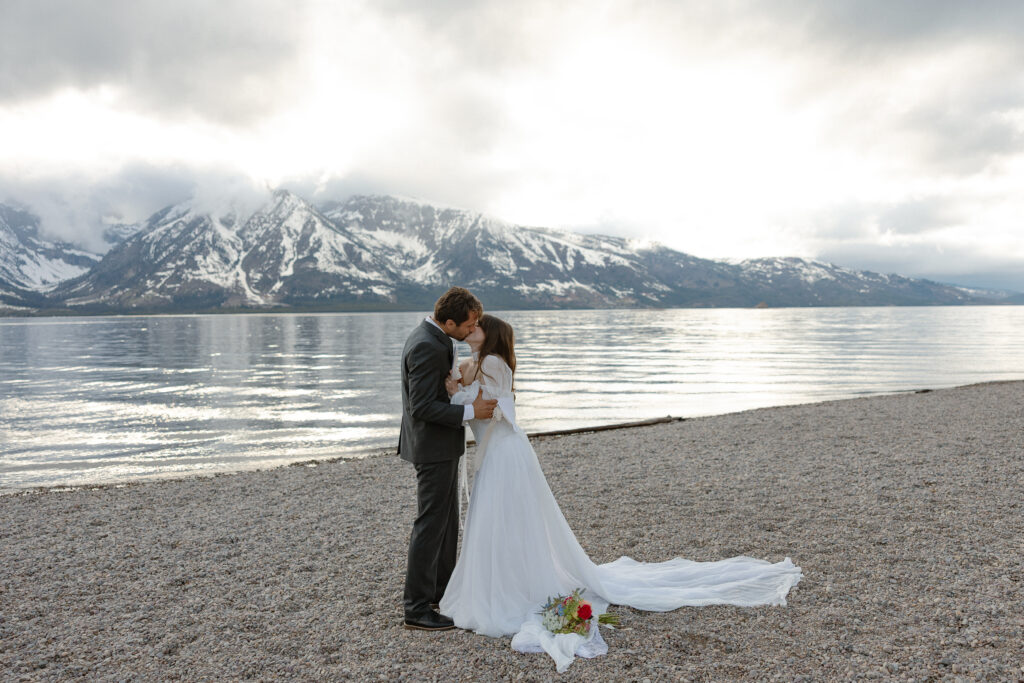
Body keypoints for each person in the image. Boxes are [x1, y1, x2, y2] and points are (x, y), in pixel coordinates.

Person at [440, 314, 803, 672]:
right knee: (494, 522)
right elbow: (471, 400)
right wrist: (459, 387)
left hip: (506, 455)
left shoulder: (493, 363)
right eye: (471, 325)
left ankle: (513, 586)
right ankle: (497, 581)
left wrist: (457, 393)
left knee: (507, 520)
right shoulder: (471, 363)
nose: (472, 329)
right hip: (491, 456)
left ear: (492, 336)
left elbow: (495, 412)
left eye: (479, 326)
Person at [399, 287, 497, 631]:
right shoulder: (427, 344)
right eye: (468, 326)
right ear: (450, 321)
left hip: (440, 446)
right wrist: (472, 409)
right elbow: (421, 406)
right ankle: (416, 608)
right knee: (430, 524)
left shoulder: (434, 337)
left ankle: (442, 591)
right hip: (432, 448)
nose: (472, 331)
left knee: (446, 522)